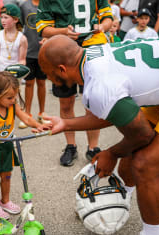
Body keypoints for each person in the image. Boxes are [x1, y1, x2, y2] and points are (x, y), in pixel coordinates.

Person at [39, 35, 159, 235]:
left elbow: (142, 135)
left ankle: (154, 234)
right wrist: (65, 123)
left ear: (62, 69)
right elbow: (115, 109)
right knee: (130, 158)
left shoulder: (99, 84)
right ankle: (122, 199)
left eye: (48, 73)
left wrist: (111, 153)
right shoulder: (93, 55)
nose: (48, 78)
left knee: (145, 164)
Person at [36, 0, 113, 166]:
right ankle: (71, 145)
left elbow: (108, 17)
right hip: (62, 49)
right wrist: (63, 31)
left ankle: (93, 147)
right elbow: (43, 28)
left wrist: (102, 27)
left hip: (92, 47)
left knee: (93, 102)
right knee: (65, 102)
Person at [0, 71, 50, 219]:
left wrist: (37, 125)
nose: (13, 99)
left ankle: (5, 201)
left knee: (7, 175)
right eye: (9, 97)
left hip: (7, 146)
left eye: (15, 96)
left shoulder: (12, 105)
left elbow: (26, 119)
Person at [18, 0, 50, 128]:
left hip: (43, 50)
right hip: (28, 50)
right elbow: (19, 26)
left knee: (42, 82)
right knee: (29, 83)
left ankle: (42, 113)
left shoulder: (48, 4)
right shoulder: (24, 5)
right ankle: (27, 114)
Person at [0, 4, 27, 71]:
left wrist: (21, 66)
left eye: (6, 17)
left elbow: (22, 60)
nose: (2, 20)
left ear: (15, 20)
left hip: (14, 74)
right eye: (1, 17)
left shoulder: (22, 38)